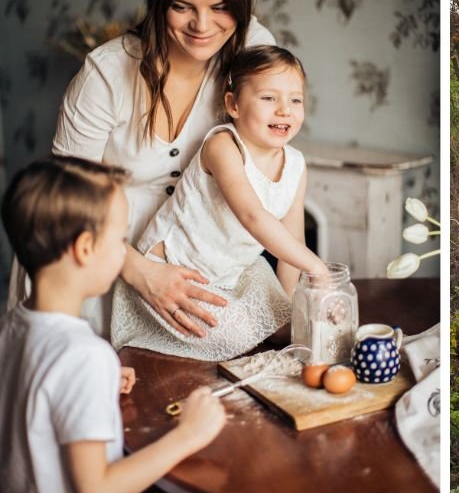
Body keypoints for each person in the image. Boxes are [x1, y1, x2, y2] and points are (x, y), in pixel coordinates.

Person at [7, 0, 277, 341]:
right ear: (159, 0)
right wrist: (142, 271)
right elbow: (64, 206)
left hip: (189, 267)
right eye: (182, 6)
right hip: (89, 265)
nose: (202, 26)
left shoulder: (251, 49)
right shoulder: (107, 74)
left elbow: (276, 154)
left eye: (220, 7)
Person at [0, 156, 225, 493]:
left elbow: (35, 403)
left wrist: (92, 385)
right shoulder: (85, 356)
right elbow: (98, 491)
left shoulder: (14, 322)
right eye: (120, 240)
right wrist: (188, 436)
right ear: (85, 249)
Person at [112, 45, 328, 361]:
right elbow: (253, 216)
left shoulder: (296, 164)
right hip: (172, 270)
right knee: (239, 334)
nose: (284, 110)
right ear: (234, 104)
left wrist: (287, 308)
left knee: (287, 317)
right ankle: (150, 328)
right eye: (269, 98)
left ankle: (274, 324)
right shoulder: (223, 145)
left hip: (231, 273)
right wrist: (317, 267)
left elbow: (292, 240)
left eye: (295, 100)